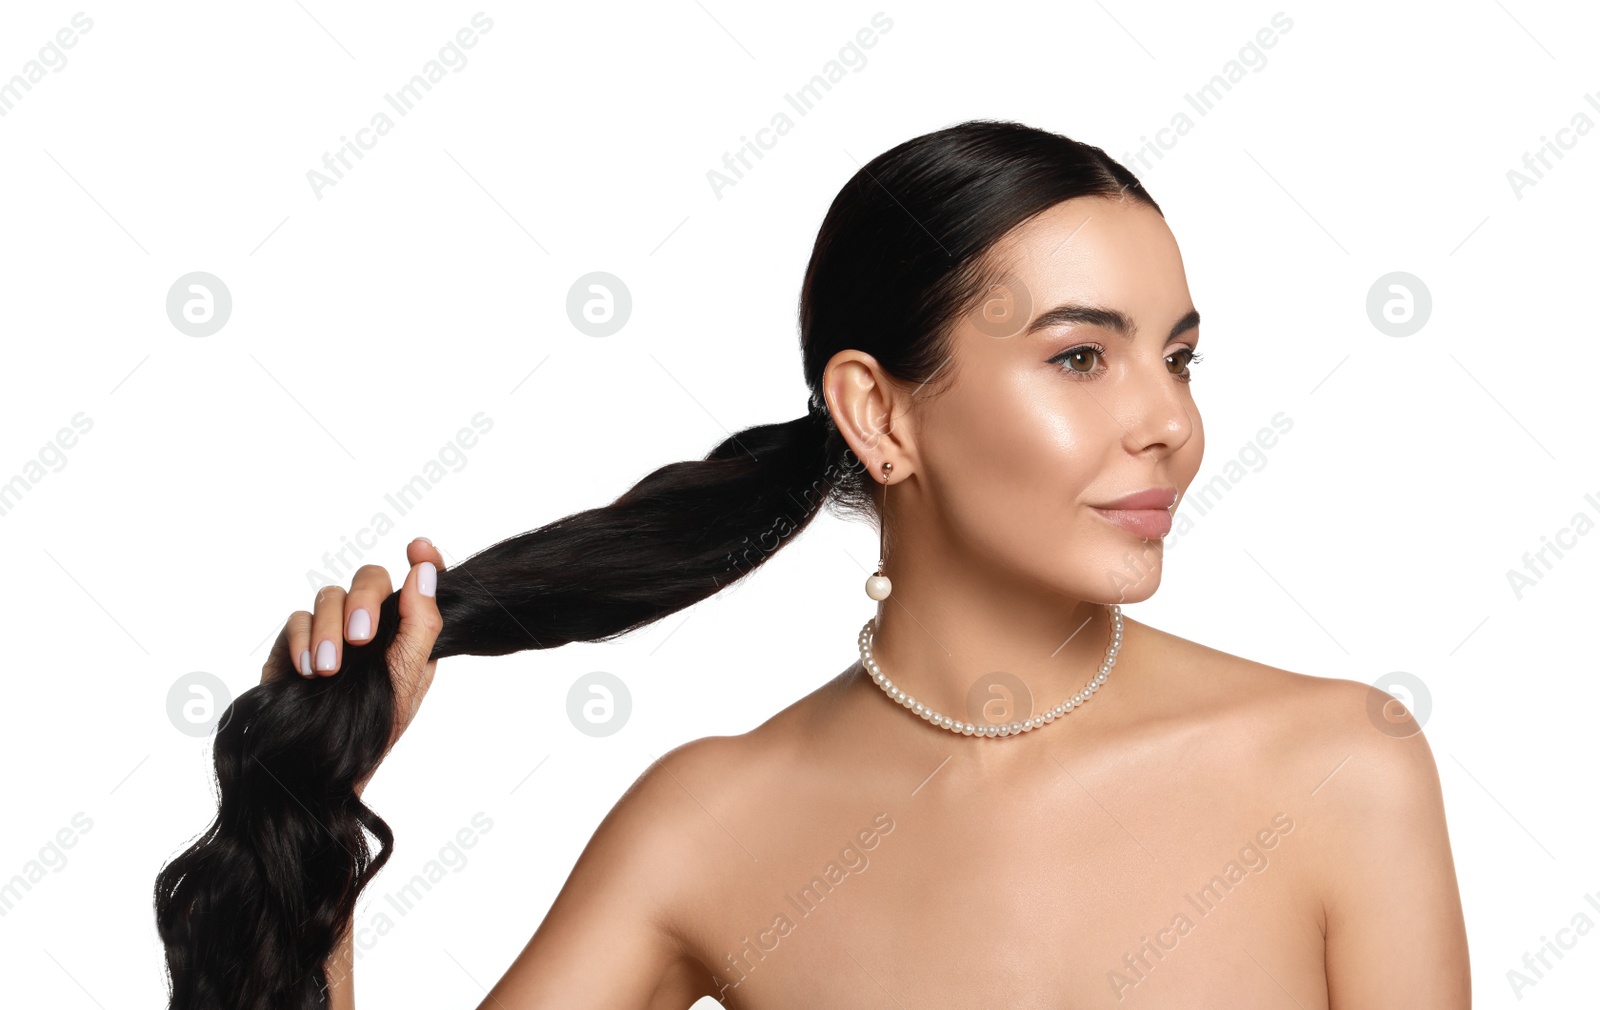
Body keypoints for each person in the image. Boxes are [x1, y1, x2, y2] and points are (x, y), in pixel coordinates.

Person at [154, 119, 1471, 1009]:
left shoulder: (1339, 764)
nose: (1168, 421)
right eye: (1083, 355)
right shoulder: (709, 820)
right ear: (880, 412)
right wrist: (314, 792)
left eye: (1176, 356)